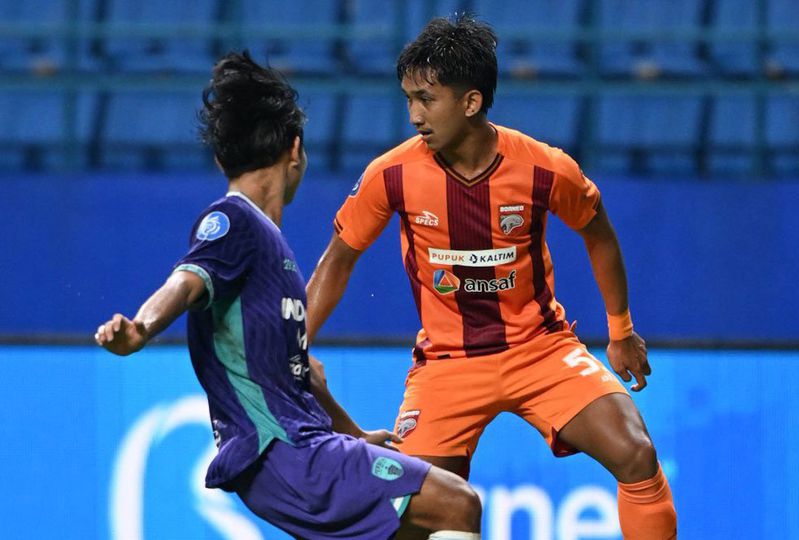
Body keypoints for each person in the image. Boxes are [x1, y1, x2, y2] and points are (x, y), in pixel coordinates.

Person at [306, 16, 677, 540]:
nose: (414, 115)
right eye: (408, 99)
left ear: (471, 102)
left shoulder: (545, 168)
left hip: (541, 350)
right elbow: (338, 260)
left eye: (427, 99)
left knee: (636, 452)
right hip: (448, 364)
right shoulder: (391, 174)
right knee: (411, 512)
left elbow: (598, 232)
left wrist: (620, 330)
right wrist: (293, 344)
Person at [95, 51, 481, 540]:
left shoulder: (271, 249)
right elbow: (186, 282)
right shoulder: (233, 220)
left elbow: (305, 374)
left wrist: (355, 433)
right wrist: (142, 329)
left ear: (221, 157)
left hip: (298, 450)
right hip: (286, 451)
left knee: (419, 528)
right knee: (457, 505)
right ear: (295, 150)